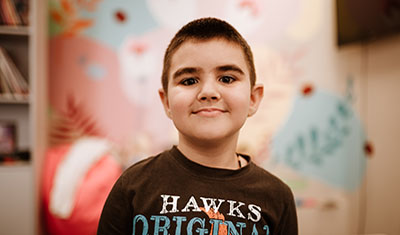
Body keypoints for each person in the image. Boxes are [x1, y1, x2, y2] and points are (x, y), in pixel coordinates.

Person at [97, 17, 298, 235]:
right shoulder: (133, 186)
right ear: (167, 103)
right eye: (189, 81)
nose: (209, 92)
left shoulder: (277, 197)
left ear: (253, 98)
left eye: (227, 79)